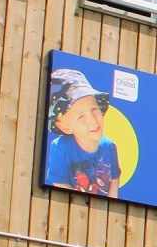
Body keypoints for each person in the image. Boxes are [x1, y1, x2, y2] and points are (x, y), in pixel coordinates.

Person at [44, 68, 120, 197]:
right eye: (80, 117)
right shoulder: (60, 148)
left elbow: (114, 180)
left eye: (94, 109)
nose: (93, 120)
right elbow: (60, 184)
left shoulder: (109, 146)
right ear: (64, 127)